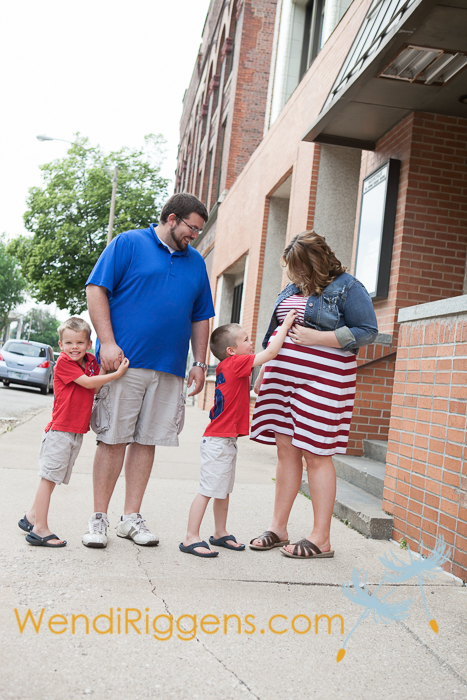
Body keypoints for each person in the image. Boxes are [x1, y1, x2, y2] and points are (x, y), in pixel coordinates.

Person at [83, 192, 215, 549]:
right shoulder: (128, 243)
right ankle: (98, 518)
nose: (195, 236)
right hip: (123, 364)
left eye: (198, 230)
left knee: (146, 441)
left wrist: (199, 363)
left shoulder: (195, 262)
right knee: (113, 439)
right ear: (172, 219)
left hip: (169, 368)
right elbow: (96, 289)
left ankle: (131, 518)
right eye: (191, 228)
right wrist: (107, 342)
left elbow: (201, 316)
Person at [249, 231, 378, 559]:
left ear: (316, 262)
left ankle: (321, 538)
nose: (294, 274)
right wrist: (264, 368)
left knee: (317, 454)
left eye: (299, 267)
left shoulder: (348, 286)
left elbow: (367, 331)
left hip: (323, 381)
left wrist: (318, 338)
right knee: (286, 451)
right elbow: (275, 333)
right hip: (281, 380)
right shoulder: (291, 290)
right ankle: (278, 528)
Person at [180, 310, 298, 557]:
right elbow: (270, 353)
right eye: (245, 339)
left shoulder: (229, 365)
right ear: (231, 350)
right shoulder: (236, 363)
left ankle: (220, 533)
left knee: (222, 490)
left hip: (224, 440)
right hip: (218, 442)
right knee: (208, 490)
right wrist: (285, 325)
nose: (250, 342)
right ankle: (190, 536)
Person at [18, 317, 129, 548]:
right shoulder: (64, 363)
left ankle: (31, 517)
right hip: (60, 431)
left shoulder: (90, 361)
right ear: (61, 345)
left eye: (80, 342)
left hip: (75, 431)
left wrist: (104, 368)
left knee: (54, 478)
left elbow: (95, 387)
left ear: (89, 344)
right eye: (68, 343)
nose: (74, 347)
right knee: (48, 478)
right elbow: (87, 383)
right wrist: (116, 374)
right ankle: (39, 529)